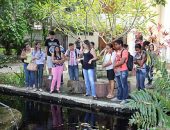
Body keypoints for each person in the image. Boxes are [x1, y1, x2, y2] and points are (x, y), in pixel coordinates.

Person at [111, 39, 129, 104]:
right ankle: (119, 97)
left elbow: (122, 61)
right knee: (119, 85)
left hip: (123, 70)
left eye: (116, 44)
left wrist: (114, 66)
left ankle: (125, 98)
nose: (115, 46)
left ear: (120, 44)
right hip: (117, 70)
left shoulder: (125, 51)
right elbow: (116, 60)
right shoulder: (117, 51)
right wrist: (115, 67)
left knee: (124, 85)